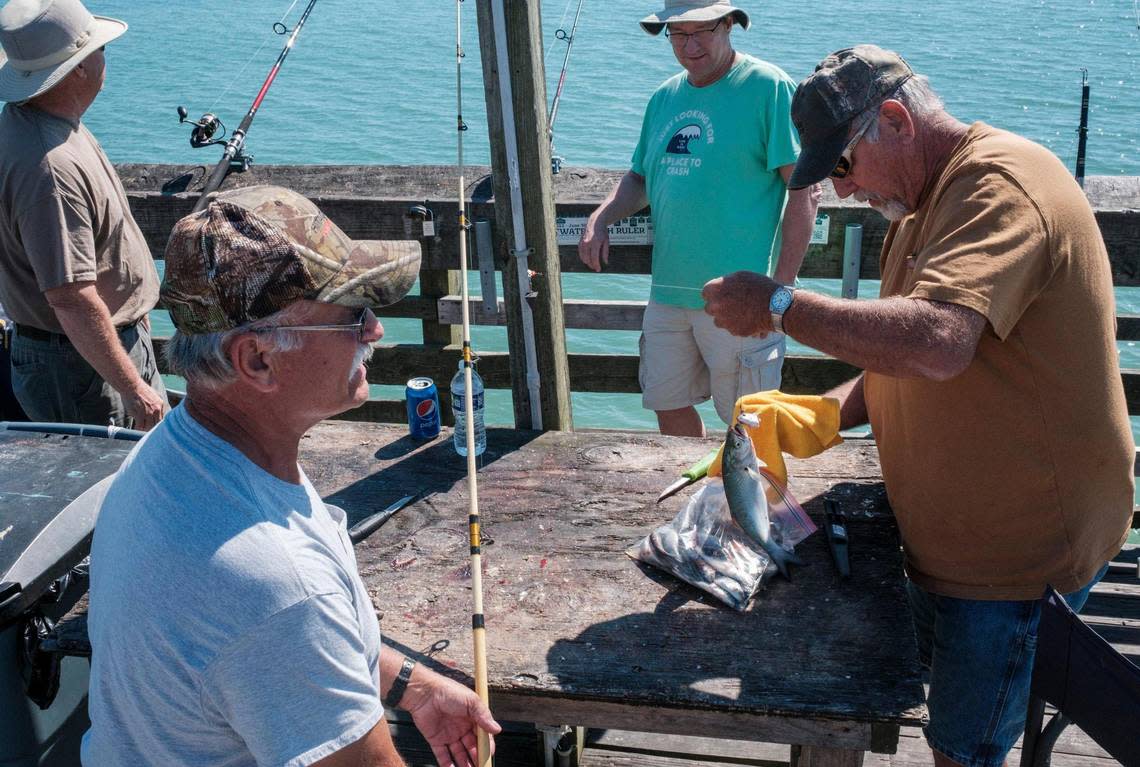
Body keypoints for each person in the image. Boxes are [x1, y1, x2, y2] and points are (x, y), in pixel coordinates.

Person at [702, 45, 1134, 767]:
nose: (841, 192)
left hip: (1014, 563)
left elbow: (938, 342)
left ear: (896, 120)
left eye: (842, 166)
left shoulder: (1000, 186)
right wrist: (825, 412)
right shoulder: (916, 204)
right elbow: (901, 356)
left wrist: (779, 303)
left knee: (963, 751)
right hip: (940, 540)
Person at [82, 185, 496, 767]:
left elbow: (260, 650)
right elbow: (277, 624)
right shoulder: (277, 585)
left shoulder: (170, 455)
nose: (374, 332)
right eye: (354, 315)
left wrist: (414, 687)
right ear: (257, 360)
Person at [578, 0, 819, 438]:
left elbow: (803, 189)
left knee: (750, 425)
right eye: (678, 33)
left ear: (729, 25)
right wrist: (602, 217)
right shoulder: (664, 97)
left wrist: (778, 291)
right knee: (667, 406)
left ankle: (753, 505)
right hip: (668, 293)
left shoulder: (769, 87)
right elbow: (640, 177)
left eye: (702, 31)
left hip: (744, 297)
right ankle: (698, 499)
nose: (690, 45)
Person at [0, 0, 167, 429]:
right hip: (81, 368)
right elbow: (70, 297)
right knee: (106, 485)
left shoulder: (43, 122)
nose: (104, 57)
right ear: (77, 69)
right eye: (100, 49)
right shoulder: (49, 167)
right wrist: (134, 389)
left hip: (95, 350)